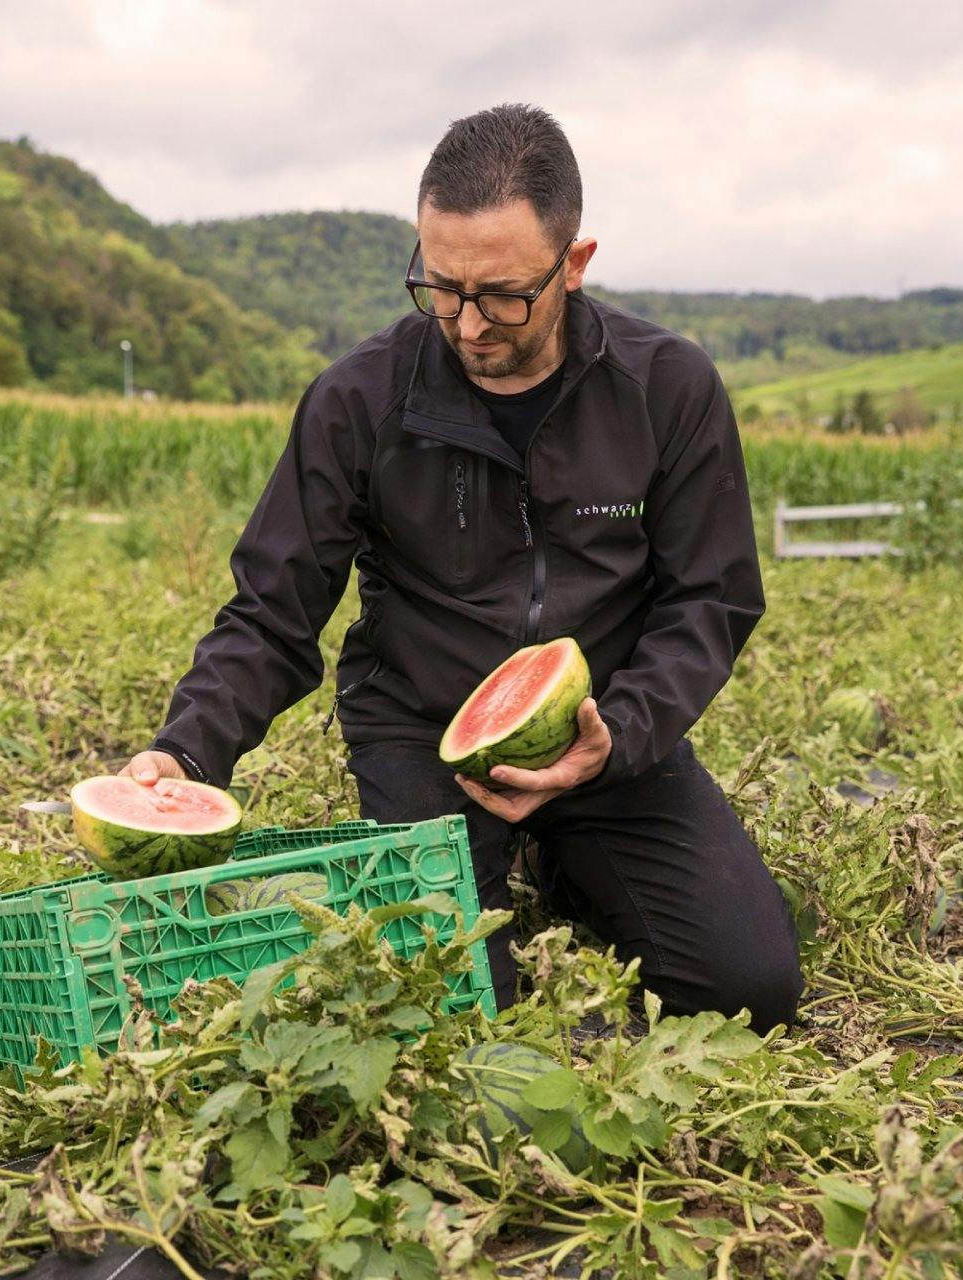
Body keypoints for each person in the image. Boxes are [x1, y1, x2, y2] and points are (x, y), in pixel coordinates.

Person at [121, 103, 801, 1031]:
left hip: (601, 735)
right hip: (422, 734)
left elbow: (709, 600)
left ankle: (566, 856)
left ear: (574, 262)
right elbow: (272, 613)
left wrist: (619, 736)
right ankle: (498, 859)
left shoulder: (667, 389)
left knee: (750, 988)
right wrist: (187, 750)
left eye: (504, 296)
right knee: (453, 1005)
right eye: (441, 288)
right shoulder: (358, 401)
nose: (469, 324)